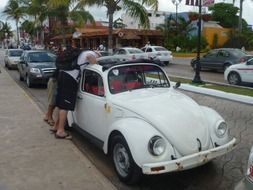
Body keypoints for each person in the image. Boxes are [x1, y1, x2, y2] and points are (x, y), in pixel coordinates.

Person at [51, 46, 101, 139]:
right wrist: (97, 64)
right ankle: (60, 131)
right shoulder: (92, 54)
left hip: (62, 75)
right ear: (98, 54)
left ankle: (56, 126)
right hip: (70, 78)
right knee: (65, 106)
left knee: (61, 103)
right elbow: (92, 59)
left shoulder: (81, 52)